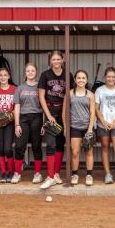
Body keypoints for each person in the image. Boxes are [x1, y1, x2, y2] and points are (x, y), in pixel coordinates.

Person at [38, 50, 74, 189]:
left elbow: (71, 94)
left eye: (58, 59)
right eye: (54, 59)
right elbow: (41, 96)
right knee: (51, 143)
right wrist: (48, 115)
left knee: (60, 143)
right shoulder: (45, 75)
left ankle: (57, 173)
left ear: (62, 60)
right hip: (50, 110)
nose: (56, 62)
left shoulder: (68, 75)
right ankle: (50, 176)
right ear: (50, 61)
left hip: (64, 111)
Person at [63, 70, 96, 185]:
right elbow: (65, 113)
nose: (81, 80)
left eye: (83, 78)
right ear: (75, 80)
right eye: (78, 78)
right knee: (75, 152)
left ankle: (89, 175)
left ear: (86, 80)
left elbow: (93, 113)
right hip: (74, 127)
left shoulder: (91, 95)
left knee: (88, 152)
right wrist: (66, 128)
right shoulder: (70, 94)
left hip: (87, 128)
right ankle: (75, 174)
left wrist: (90, 129)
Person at [13, 62, 44, 184]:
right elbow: (16, 106)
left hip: (37, 117)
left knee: (36, 146)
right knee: (20, 146)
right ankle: (17, 173)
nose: (30, 73)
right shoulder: (20, 88)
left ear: (36, 72)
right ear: (25, 73)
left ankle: (37, 173)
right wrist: (17, 124)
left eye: (32, 71)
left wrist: (44, 123)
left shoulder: (40, 88)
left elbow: (44, 106)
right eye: (28, 71)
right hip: (23, 118)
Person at [94, 67, 115, 184]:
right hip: (103, 124)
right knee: (105, 148)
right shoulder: (99, 90)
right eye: (108, 77)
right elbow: (96, 108)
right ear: (105, 77)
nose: (111, 79)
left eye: (113, 77)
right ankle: (108, 174)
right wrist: (103, 121)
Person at [0, 67, 17, 183]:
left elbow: (17, 105)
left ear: (9, 76)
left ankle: (11, 171)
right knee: (0, 148)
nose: (3, 77)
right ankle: (3, 172)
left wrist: (11, 114)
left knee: (7, 148)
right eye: (0, 75)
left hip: (10, 122)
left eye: (5, 75)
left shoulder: (14, 89)